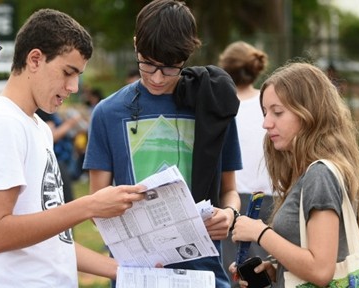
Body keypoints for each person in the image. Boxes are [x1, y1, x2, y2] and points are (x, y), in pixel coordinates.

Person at [0, 8, 146, 287]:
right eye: (68, 72)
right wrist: (89, 206)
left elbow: (53, 243)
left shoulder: (37, 128)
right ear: (35, 59)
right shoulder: (4, 124)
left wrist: (126, 269)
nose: (74, 86)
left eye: (78, 75)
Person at [83, 1, 242, 287]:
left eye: (169, 68)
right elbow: (96, 209)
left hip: (204, 275)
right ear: (135, 46)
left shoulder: (214, 106)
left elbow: (230, 190)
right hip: (137, 273)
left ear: (187, 55)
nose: (157, 78)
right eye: (147, 64)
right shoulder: (108, 113)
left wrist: (228, 214)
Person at [229, 62, 359, 287]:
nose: (266, 123)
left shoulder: (320, 175)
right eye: (265, 112)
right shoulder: (307, 173)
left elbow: (320, 270)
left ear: (309, 113)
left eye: (277, 112)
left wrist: (260, 233)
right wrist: (276, 271)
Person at [217, 41, 273, 282]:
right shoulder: (270, 104)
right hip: (271, 198)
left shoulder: (221, 107)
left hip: (233, 202)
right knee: (267, 273)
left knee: (233, 274)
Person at [35, 108, 82, 202]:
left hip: (62, 160)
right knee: (65, 198)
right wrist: (70, 123)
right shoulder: (42, 112)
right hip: (56, 160)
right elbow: (52, 136)